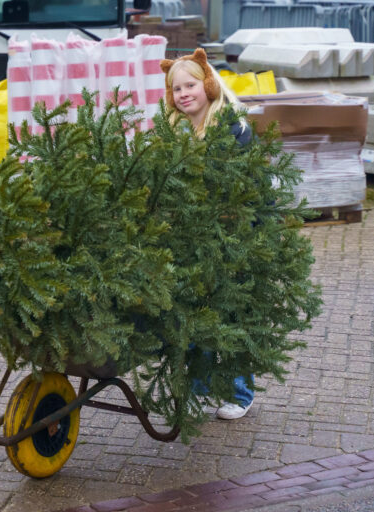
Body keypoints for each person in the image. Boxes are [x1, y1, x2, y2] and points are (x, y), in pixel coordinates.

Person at [159, 48, 254, 420]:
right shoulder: (177, 135)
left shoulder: (234, 131)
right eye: (176, 89)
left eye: (190, 85)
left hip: (231, 240)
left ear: (209, 85)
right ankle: (198, 387)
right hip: (191, 242)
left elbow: (243, 192)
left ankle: (240, 392)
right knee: (194, 313)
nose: (184, 94)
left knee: (229, 314)